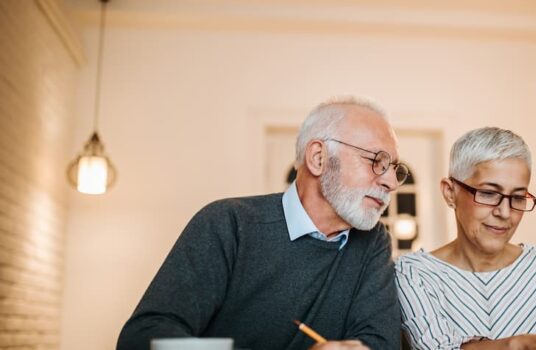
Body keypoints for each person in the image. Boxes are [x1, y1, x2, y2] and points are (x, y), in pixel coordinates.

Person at [117, 96, 408, 350]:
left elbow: (379, 344)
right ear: (319, 158)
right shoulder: (229, 224)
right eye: (377, 161)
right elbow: (142, 339)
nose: (391, 182)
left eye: (395, 169)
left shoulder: (372, 241)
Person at [395, 127, 536, 350]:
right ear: (450, 192)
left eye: (518, 197)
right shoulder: (414, 273)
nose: (505, 213)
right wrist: (519, 344)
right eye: (489, 193)